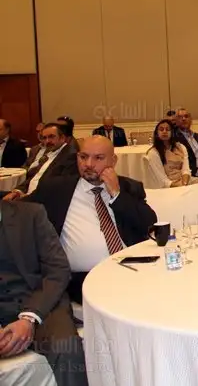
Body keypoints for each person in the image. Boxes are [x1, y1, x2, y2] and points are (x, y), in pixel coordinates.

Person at [24, 136, 157, 303]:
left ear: (113, 161)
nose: (88, 164)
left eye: (98, 158)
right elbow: (19, 211)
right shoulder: (56, 189)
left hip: (132, 270)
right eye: (83, 157)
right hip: (83, 280)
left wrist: (117, 195)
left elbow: (149, 224)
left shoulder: (128, 187)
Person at [0, 199, 88, 386]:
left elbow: (58, 269)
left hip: (41, 302)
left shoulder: (31, 214)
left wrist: (28, 318)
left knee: (66, 348)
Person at [3, 123, 78, 200]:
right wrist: (17, 192)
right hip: (28, 195)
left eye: (51, 136)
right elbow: (34, 177)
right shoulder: (49, 153)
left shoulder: (70, 156)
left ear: (62, 138)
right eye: (44, 138)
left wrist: (26, 198)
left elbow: (58, 188)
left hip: (41, 200)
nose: (47, 141)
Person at [145, 120, 198, 188]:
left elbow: (186, 169)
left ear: (172, 132)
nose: (164, 131)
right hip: (168, 185)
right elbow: (163, 180)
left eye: (168, 129)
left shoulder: (181, 147)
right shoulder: (153, 152)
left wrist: (185, 184)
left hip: (183, 180)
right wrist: (179, 186)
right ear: (157, 133)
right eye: (161, 129)